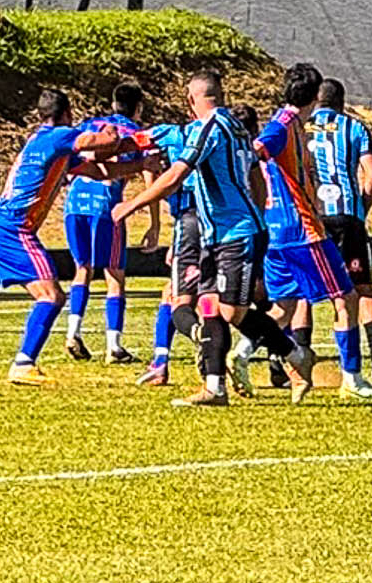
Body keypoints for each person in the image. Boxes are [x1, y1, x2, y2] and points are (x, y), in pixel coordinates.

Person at [114, 70, 314, 407]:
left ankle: (295, 354)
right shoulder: (236, 126)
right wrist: (258, 206)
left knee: (232, 311)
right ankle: (214, 387)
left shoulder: (211, 127)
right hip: (216, 233)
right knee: (209, 307)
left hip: (237, 233)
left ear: (191, 100)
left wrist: (131, 204)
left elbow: (177, 174)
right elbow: (254, 171)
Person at [0, 89, 140, 386]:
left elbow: (100, 171)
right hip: (11, 227)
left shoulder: (43, 143)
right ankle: (24, 363)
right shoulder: (59, 136)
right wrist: (110, 127)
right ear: (65, 114)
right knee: (52, 296)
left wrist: (141, 165)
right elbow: (108, 142)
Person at [238, 65, 372, 402]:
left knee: (285, 307)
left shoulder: (293, 123)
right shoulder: (288, 124)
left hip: (278, 230)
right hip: (305, 229)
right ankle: (353, 377)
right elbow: (259, 150)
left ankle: (242, 352)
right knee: (348, 298)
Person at [61, 82, 157, 364]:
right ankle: (114, 345)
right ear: (138, 107)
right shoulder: (137, 135)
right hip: (106, 205)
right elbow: (150, 175)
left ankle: (72, 331)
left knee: (83, 270)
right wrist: (154, 223)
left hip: (75, 202)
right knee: (114, 275)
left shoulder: (90, 124)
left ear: (114, 103)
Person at [308, 78, 372, 391]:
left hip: (313, 218)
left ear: (316, 101)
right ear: (342, 102)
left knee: (303, 294)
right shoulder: (355, 128)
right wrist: (360, 211)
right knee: (363, 290)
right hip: (349, 217)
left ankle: (290, 361)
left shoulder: (301, 128)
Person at [133, 117, 202, 387]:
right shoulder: (219, 134)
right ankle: (283, 354)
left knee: (177, 295)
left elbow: (135, 141)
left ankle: (162, 363)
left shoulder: (169, 134)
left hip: (190, 221)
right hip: (219, 221)